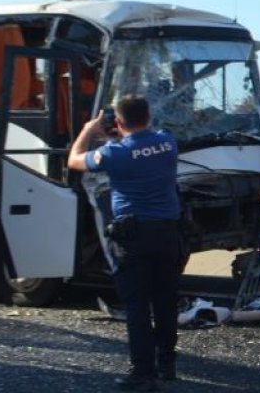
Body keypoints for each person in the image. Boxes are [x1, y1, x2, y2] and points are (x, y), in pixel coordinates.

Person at [68, 96, 182, 391]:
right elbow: (145, 145)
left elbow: (74, 160)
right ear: (149, 115)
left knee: (137, 306)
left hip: (133, 237)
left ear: (118, 122)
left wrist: (88, 130)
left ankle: (143, 373)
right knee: (166, 301)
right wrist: (117, 135)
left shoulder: (114, 154)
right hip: (168, 233)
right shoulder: (168, 143)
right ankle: (167, 364)